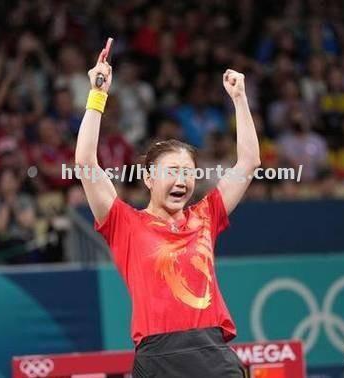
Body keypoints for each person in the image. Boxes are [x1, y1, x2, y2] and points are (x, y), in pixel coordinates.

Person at [76, 47, 260, 377]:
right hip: (158, 359)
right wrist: (97, 96)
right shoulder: (124, 224)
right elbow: (86, 163)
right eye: (172, 172)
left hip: (213, 354)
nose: (182, 181)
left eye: (188, 173)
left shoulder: (207, 215)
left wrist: (240, 98)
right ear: (148, 178)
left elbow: (248, 163)